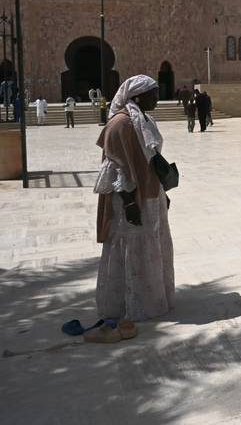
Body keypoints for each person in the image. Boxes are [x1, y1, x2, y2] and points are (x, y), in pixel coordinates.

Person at [93, 75, 175, 321]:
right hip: (130, 200)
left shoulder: (142, 120)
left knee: (151, 244)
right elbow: (115, 167)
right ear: (136, 97)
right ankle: (129, 303)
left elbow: (149, 159)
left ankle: (152, 299)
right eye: (153, 94)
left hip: (150, 194)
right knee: (132, 245)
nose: (157, 99)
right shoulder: (121, 124)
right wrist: (129, 203)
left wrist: (161, 192)